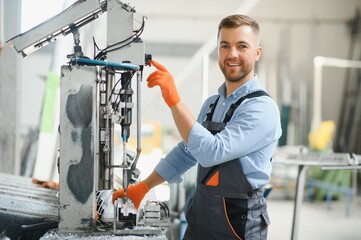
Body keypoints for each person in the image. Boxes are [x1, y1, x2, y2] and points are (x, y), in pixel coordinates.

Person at [113, 14, 282, 239]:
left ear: (257, 52)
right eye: (225, 46)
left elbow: (212, 152)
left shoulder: (261, 108)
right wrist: (143, 187)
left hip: (237, 222)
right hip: (202, 217)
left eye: (242, 46)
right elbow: (187, 151)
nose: (232, 54)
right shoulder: (212, 104)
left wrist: (174, 101)